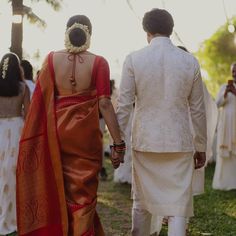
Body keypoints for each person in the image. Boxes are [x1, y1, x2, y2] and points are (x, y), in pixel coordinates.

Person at [16, 15, 125, 236]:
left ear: (67, 32)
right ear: (89, 34)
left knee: (58, 188)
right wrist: (118, 142)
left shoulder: (51, 59)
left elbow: (39, 102)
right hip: (85, 138)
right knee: (83, 193)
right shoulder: (99, 62)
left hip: (56, 134)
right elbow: (104, 103)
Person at [116, 8, 207, 236]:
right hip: (180, 142)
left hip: (146, 141)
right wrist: (202, 146)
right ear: (171, 30)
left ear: (147, 31)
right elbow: (197, 110)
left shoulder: (134, 59)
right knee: (178, 208)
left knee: (142, 203)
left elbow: (124, 106)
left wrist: (117, 142)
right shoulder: (190, 61)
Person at [0, 52, 30, 236]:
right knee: (13, 175)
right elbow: (29, 113)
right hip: (17, 130)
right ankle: (11, 218)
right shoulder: (23, 87)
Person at [212, 62, 236, 190]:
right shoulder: (223, 87)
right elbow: (217, 103)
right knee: (225, 153)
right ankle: (223, 183)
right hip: (226, 124)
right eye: (233, 71)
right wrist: (226, 93)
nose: (234, 73)